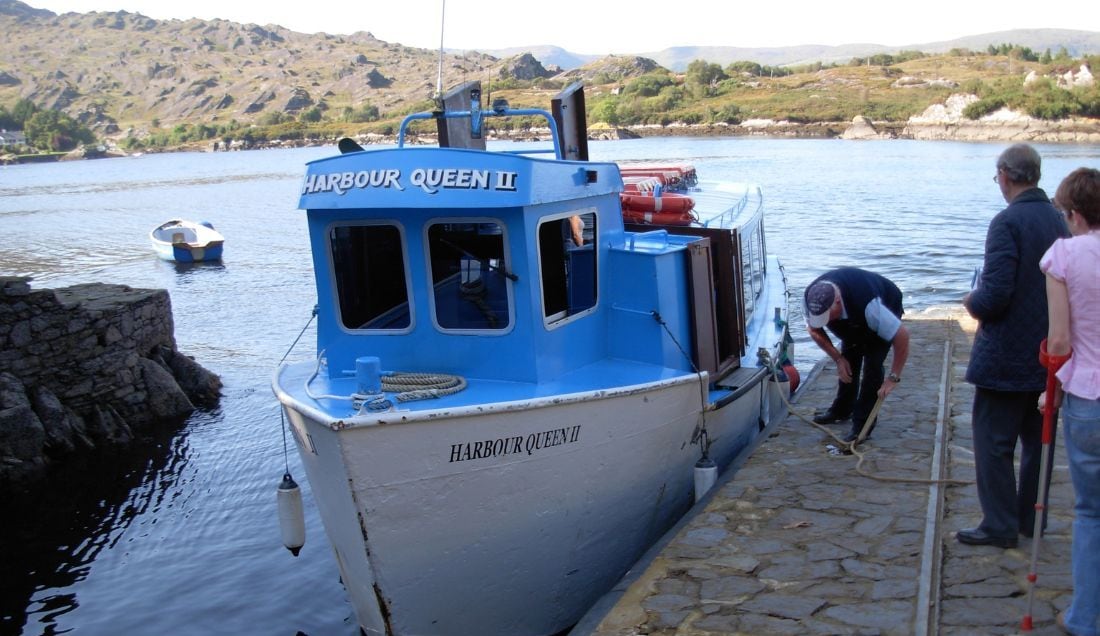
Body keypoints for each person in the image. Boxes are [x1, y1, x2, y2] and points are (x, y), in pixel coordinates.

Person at [957, 143, 1070, 549]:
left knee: (993, 443)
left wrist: (972, 302)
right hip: (1051, 353)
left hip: (1005, 356)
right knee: (1039, 443)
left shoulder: (1007, 222)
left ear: (1005, 175)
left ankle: (1000, 526)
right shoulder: (1062, 220)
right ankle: (1031, 521)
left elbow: (996, 295)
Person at [1040, 167, 1100, 636]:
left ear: (1074, 214)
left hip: (1089, 394)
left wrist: (1051, 388)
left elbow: (1059, 340)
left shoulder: (1063, 255)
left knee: (1090, 511)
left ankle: (1084, 618)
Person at [803, 267, 910, 443]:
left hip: (886, 302)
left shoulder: (872, 307)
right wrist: (838, 358)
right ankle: (841, 410)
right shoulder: (810, 298)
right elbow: (813, 329)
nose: (826, 323)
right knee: (849, 359)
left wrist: (893, 378)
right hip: (853, 316)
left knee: (873, 367)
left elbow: (902, 336)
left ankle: (862, 425)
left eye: (827, 317)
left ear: (837, 301)